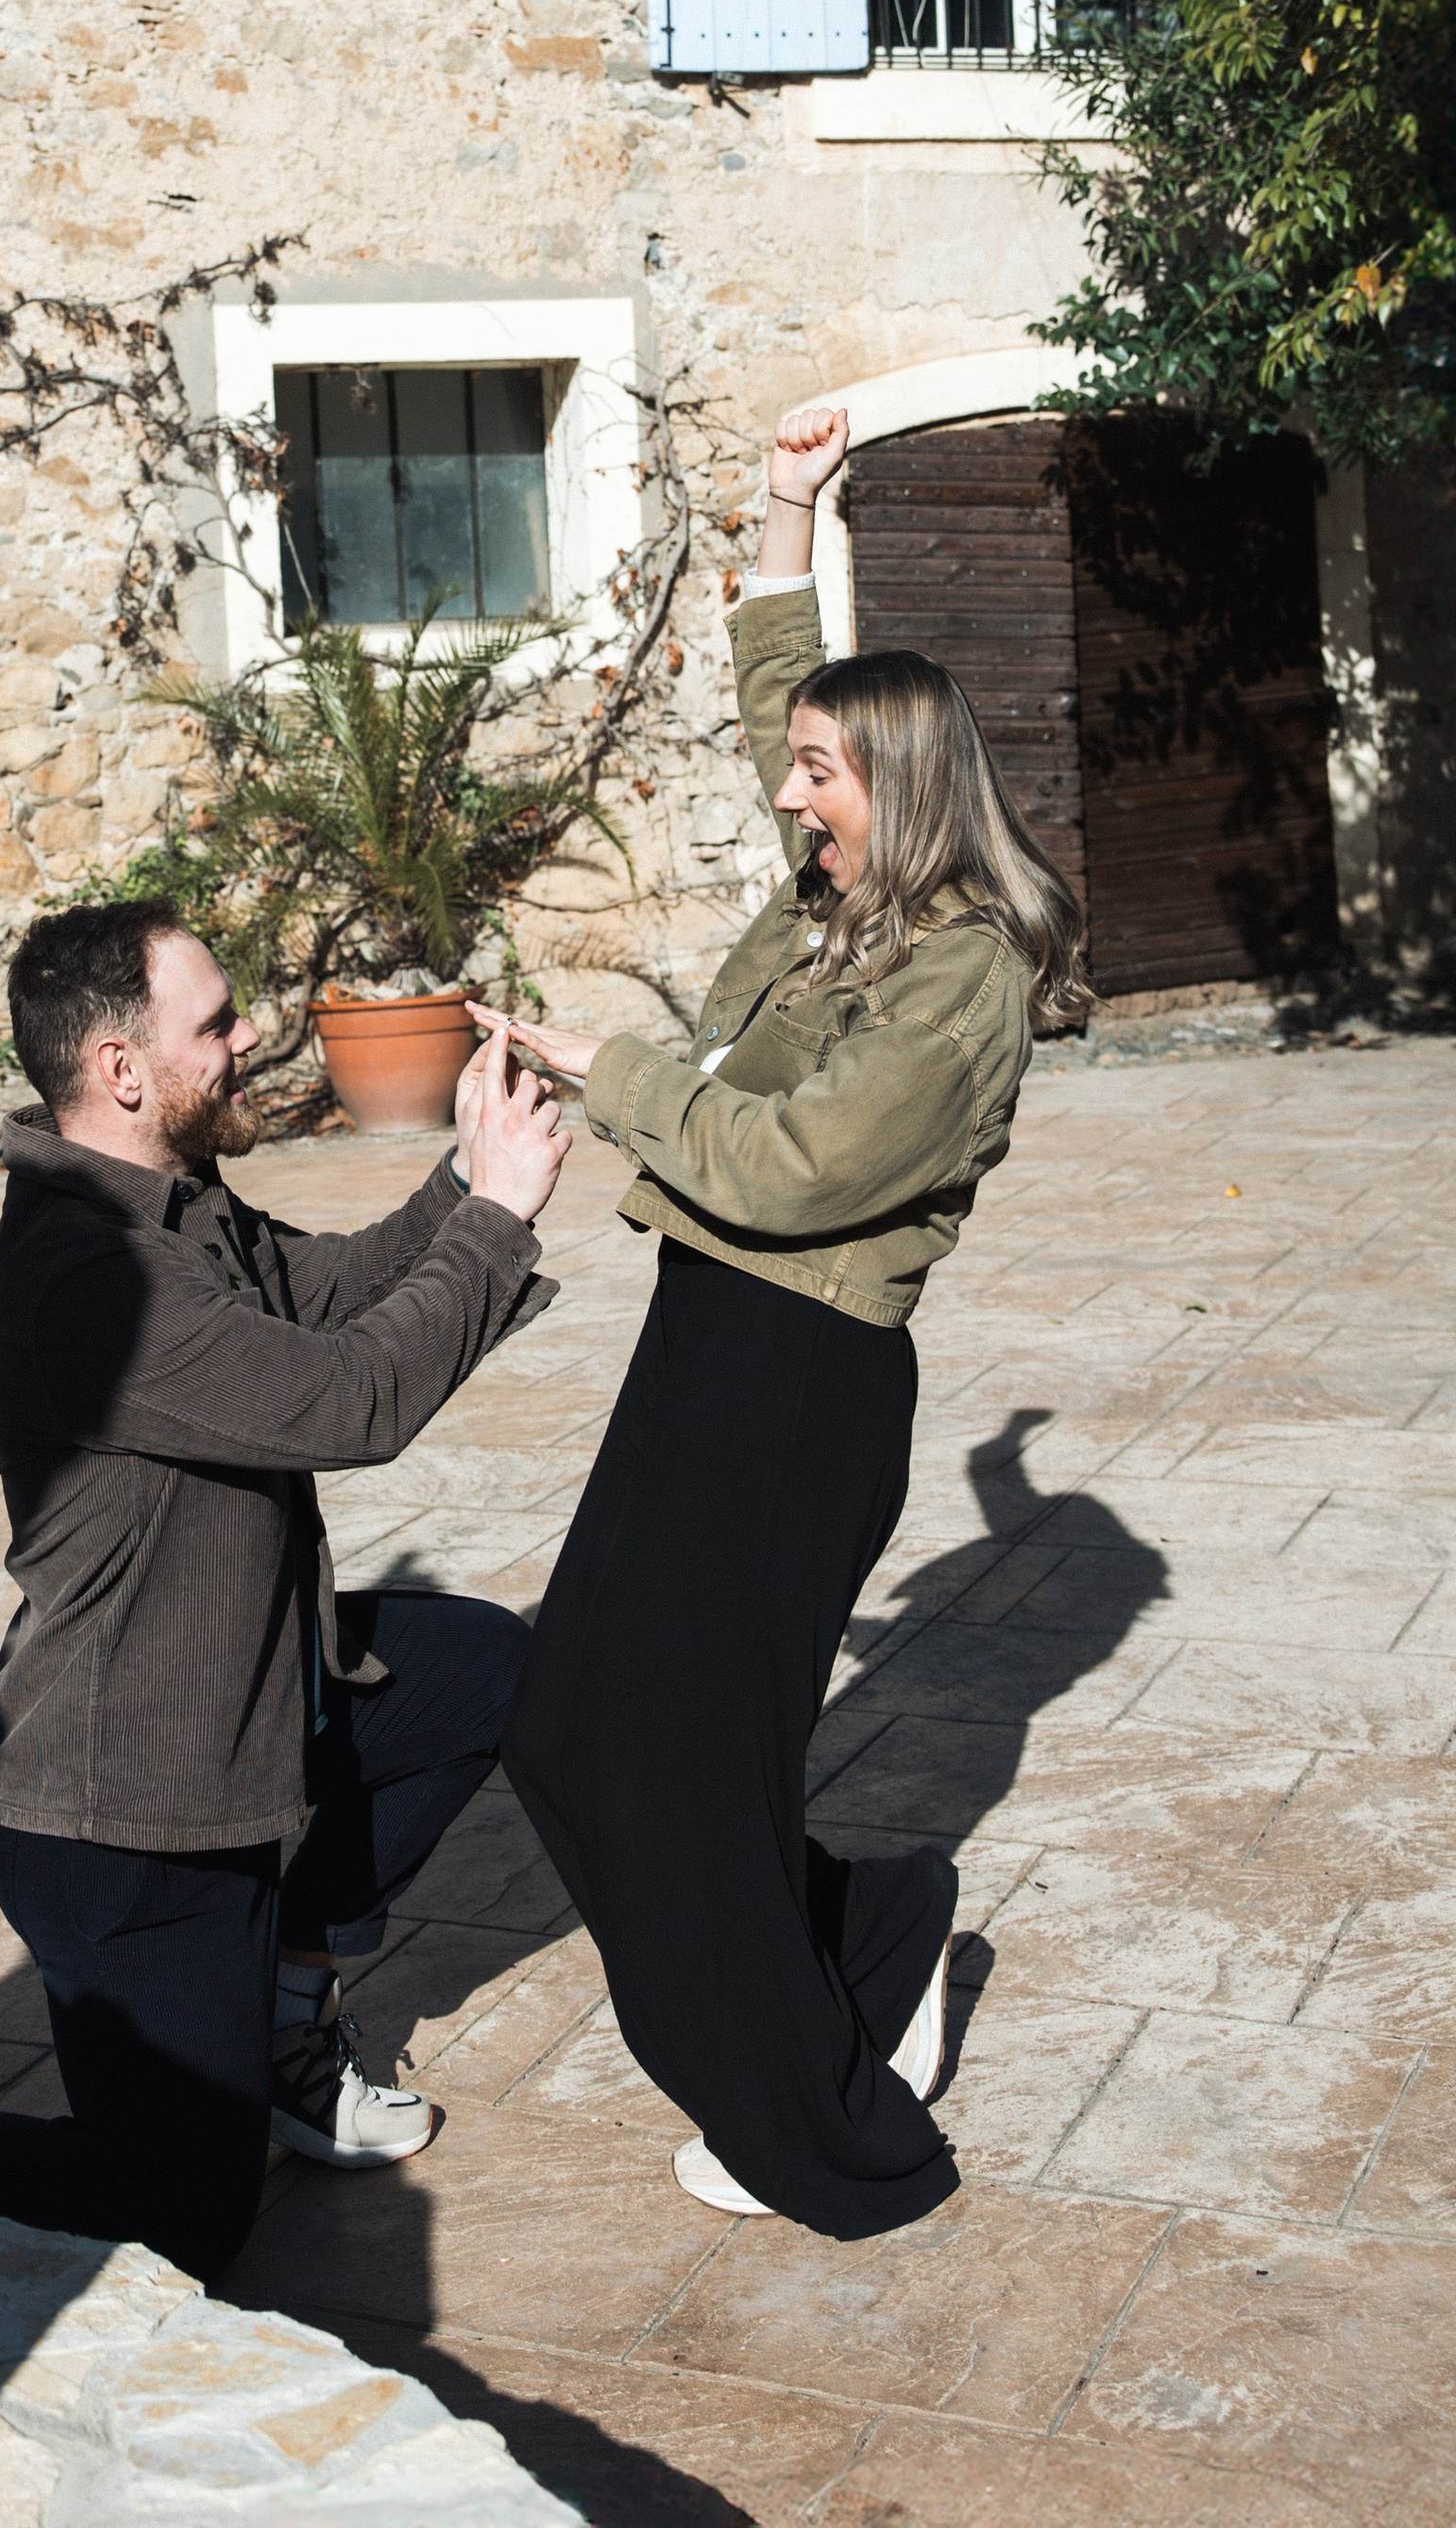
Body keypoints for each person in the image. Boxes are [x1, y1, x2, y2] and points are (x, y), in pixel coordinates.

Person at [0, 895, 570, 2281]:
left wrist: (461, 1176)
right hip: (127, 1816)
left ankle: (282, 2016)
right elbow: (350, 1401)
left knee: (473, 1675)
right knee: (181, 2215)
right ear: (123, 1069)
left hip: (244, 1709)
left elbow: (323, 1294)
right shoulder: (93, 1280)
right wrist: (494, 1221)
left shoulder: (166, 1202)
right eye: (218, 1024)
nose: (250, 1038)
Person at [469, 399, 1092, 2239]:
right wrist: (782, 511)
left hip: (797, 1377)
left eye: (820, 773)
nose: (787, 792)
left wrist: (613, 1067)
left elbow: (798, 1163)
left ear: (895, 784)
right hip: (707, 1351)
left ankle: (817, 2127)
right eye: (796, 770)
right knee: (569, 1732)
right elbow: (778, 699)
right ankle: (877, 1930)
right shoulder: (847, 897)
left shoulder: (961, 973)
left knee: (674, 1775)